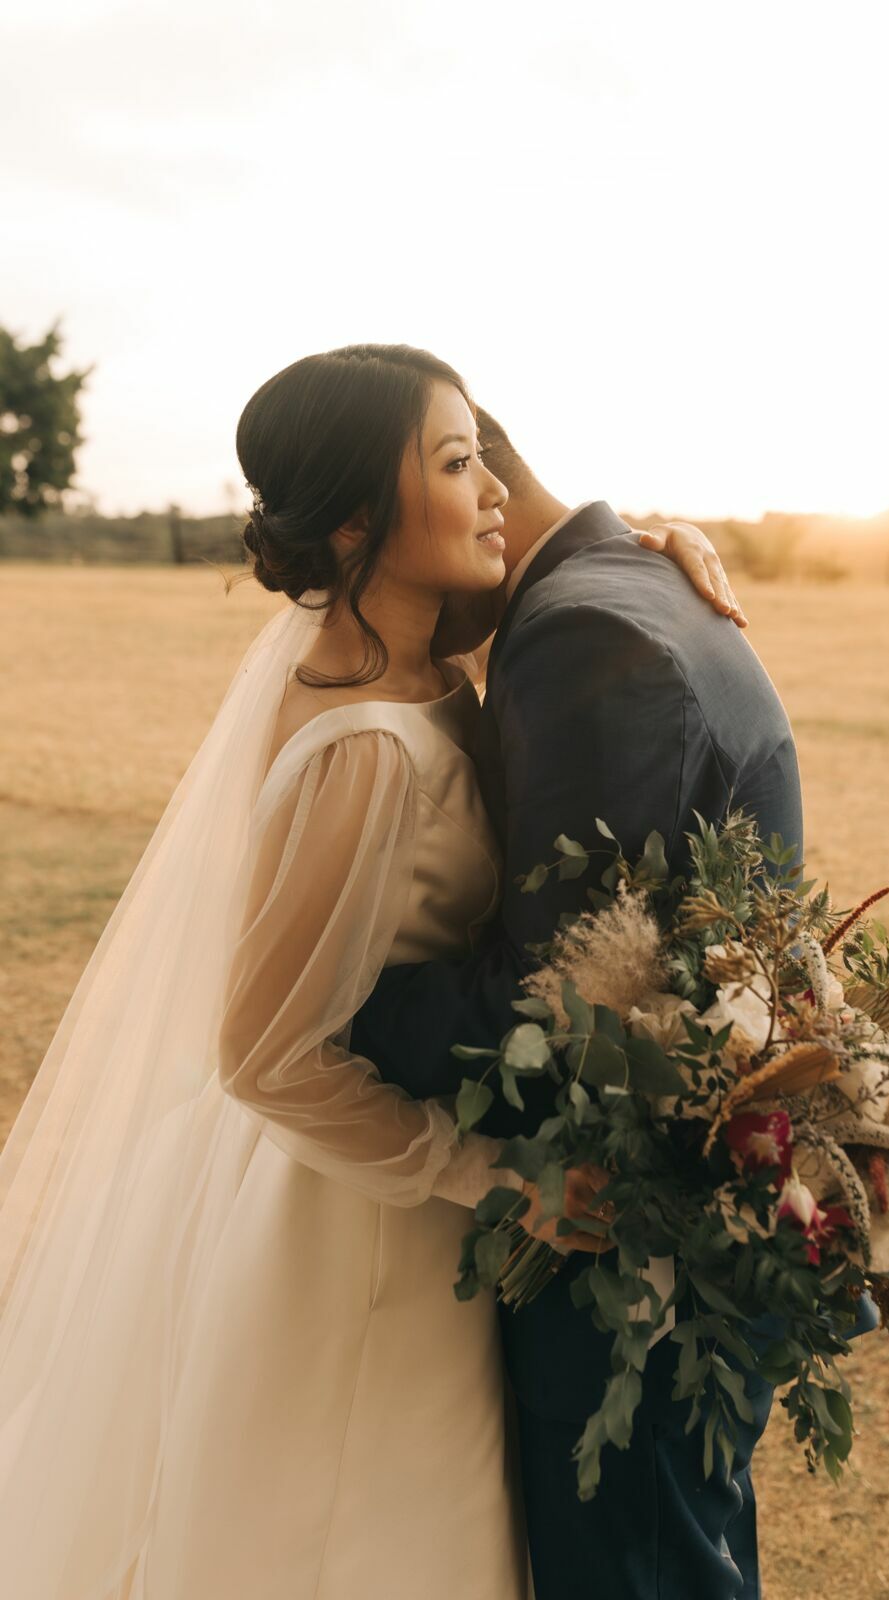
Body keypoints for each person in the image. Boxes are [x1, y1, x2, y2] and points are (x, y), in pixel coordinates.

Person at [0, 342, 737, 1599]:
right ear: (354, 518)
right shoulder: (364, 747)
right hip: (359, 1228)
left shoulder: (418, 659)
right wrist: (498, 1180)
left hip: (385, 1202)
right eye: (456, 463)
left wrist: (642, 550)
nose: (495, 484)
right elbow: (266, 1054)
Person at [347, 406, 857, 1600]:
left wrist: (341, 1009)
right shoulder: (624, 576)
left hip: (632, 1229)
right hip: (693, 1192)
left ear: (479, 490)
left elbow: (566, 1001)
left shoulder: (581, 633)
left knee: (634, 1571)